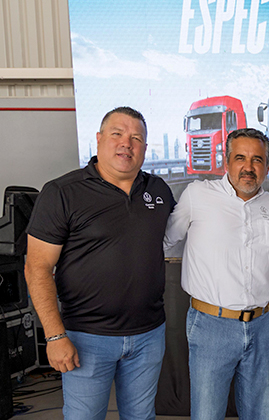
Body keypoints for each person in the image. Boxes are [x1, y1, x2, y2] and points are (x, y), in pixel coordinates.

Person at [24, 107, 173, 420]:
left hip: (148, 335)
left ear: (145, 148)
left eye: (136, 138)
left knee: (141, 416)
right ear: (99, 139)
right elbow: (37, 268)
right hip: (86, 338)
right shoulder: (62, 192)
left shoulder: (158, 190)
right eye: (117, 134)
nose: (126, 143)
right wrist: (54, 336)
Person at [163, 128, 269, 419]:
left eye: (257, 159)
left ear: (267, 166)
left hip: (263, 325)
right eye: (240, 158)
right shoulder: (197, 195)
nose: (249, 167)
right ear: (226, 162)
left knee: (259, 414)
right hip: (211, 326)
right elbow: (167, 241)